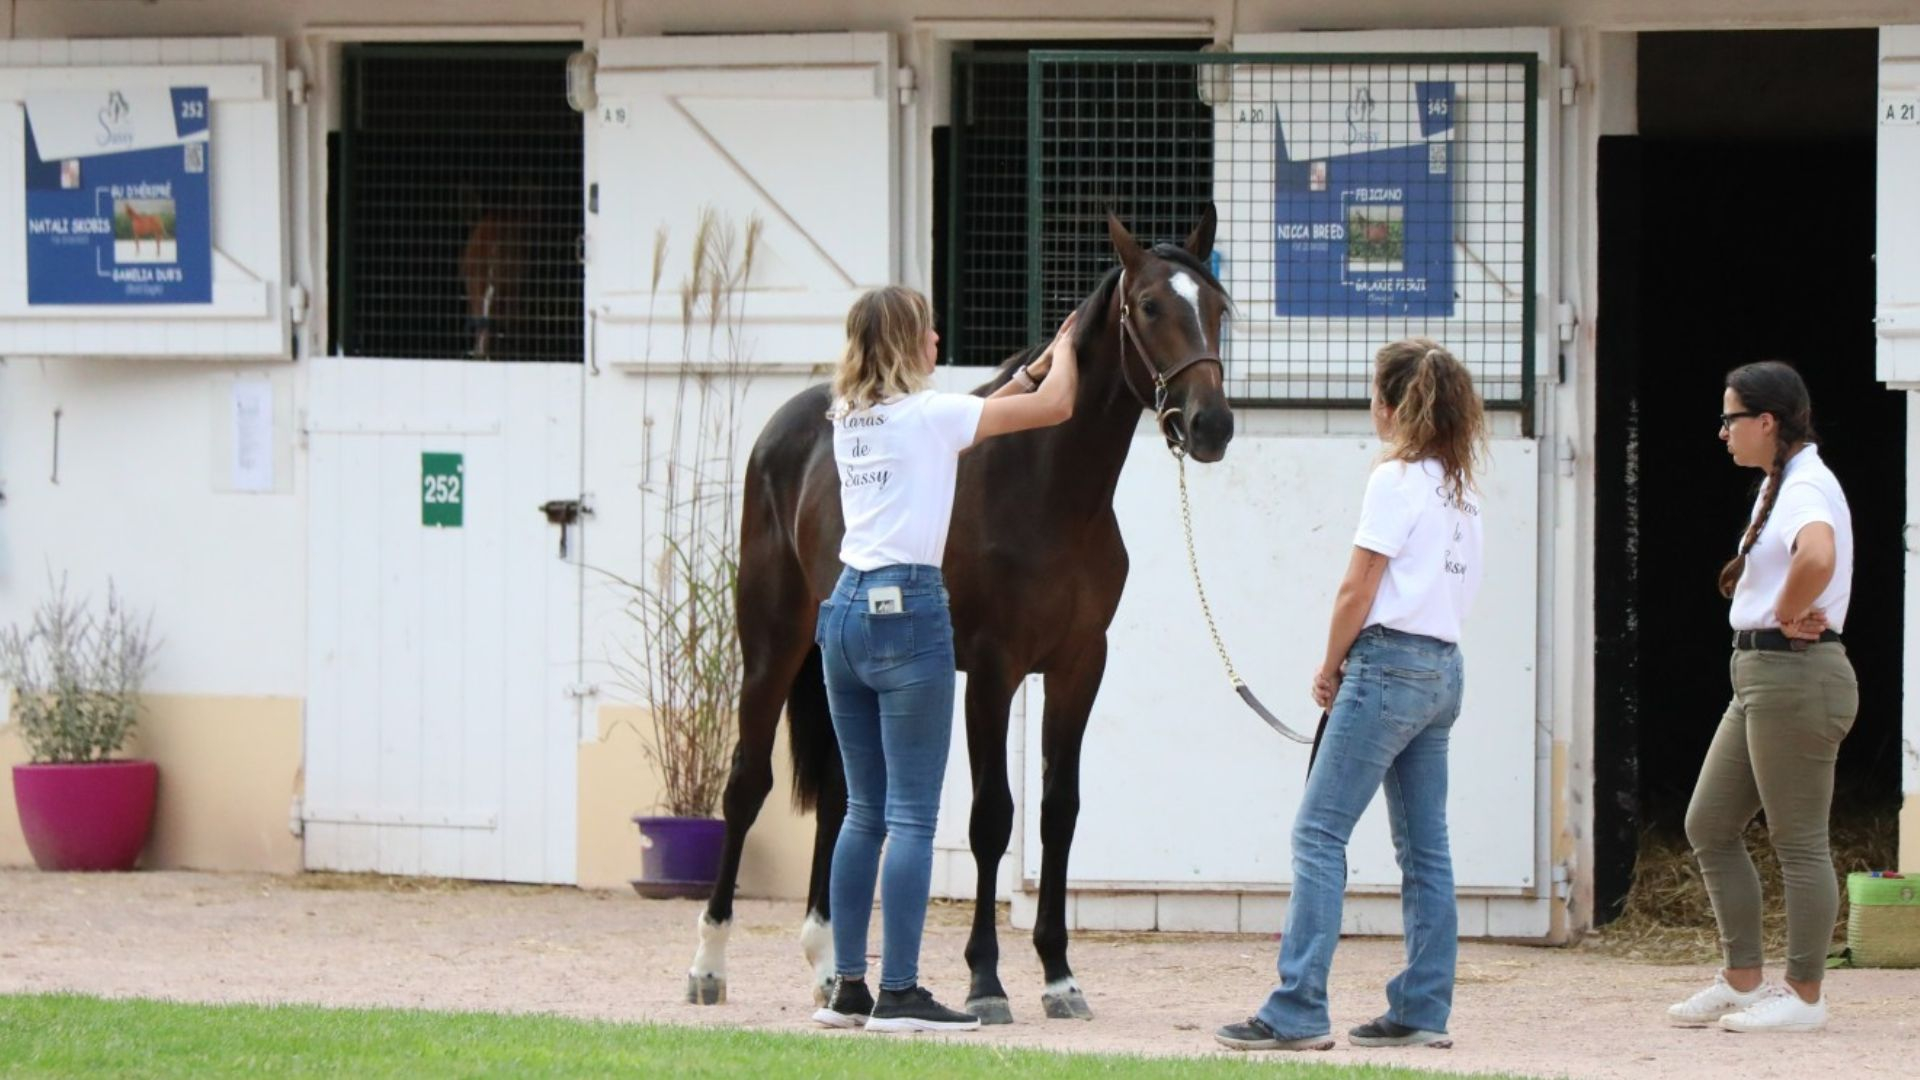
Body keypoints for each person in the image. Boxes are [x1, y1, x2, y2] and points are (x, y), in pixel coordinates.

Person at [812, 287, 1080, 1033]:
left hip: (843, 614)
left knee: (862, 813)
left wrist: (1015, 380)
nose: (936, 335)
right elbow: (1056, 408)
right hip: (909, 615)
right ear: (904, 342)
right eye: (924, 328)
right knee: (911, 817)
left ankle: (847, 987)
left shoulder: (851, 419)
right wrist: (1067, 349)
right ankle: (901, 992)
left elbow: (979, 407)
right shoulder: (930, 418)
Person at [1216, 337, 1486, 1052]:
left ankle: (1297, 1006)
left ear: (1391, 406)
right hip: (1442, 669)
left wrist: (1331, 665)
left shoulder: (1393, 480)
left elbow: (1356, 588)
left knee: (1318, 832)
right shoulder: (1463, 490)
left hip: (1386, 667)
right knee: (1426, 848)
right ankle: (1424, 1007)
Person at [1667, 360, 1856, 1034]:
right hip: (1760, 676)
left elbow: (1818, 555)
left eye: (1730, 418)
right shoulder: (1783, 481)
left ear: (1766, 421)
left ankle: (1804, 996)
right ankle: (1744, 980)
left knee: (1798, 840)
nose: (1723, 432)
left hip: (1795, 673)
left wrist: (1786, 610)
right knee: (1709, 825)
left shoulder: (1806, 485)